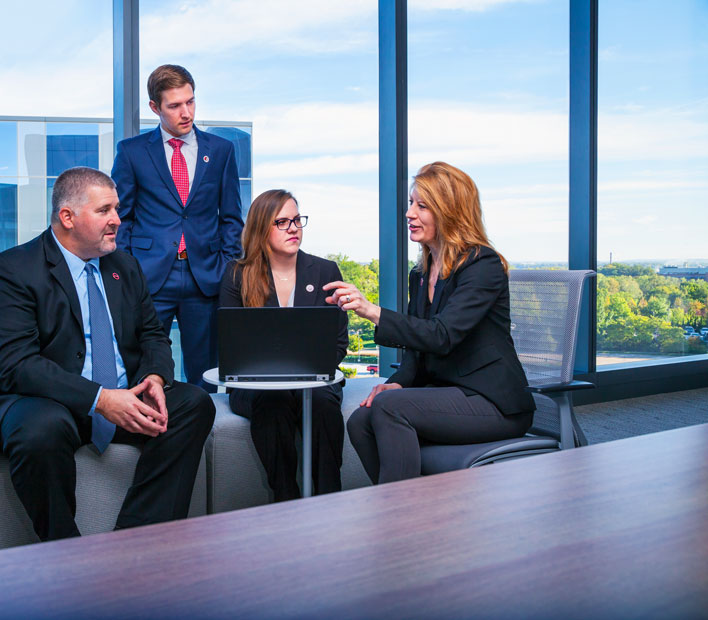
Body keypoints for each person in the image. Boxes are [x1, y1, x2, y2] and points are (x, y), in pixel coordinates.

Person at [0, 166, 215, 541]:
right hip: (45, 399)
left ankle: (135, 542)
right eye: (104, 211)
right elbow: (14, 365)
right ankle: (66, 553)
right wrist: (100, 399)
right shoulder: (13, 269)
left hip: (120, 392)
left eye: (117, 209)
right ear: (67, 217)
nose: (117, 220)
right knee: (41, 429)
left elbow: (152, 335)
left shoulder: (125, 266)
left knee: (193, 404)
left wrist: (155, 378)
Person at [324, 162, 535, 485]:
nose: (409, 213)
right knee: (360, 420)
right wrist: (400, 382)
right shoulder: (422, 273)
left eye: (422, 206)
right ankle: (418, 507)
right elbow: (418, 348)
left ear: (450, 211)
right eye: (411, 203)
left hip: (494, 403)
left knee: (392, 409)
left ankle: (404, 521)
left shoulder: (483, 265)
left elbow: (442, 335)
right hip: (449, 392)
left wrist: (372, 311)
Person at [112, 64, 243, 392]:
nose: (186, 112)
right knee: (147, 368)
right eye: (174, 105)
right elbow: (120, 217)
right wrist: (130, 268)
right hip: (150, 277)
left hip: (205, 277)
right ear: (155, 108)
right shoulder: (132, 152)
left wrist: (226, 267)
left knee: (206, 374)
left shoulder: (222, 150)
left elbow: (231, 218)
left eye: (191, 101)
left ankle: (207, 439)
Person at [219, 189, 348, 501]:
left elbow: (338, 340)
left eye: (297, 220)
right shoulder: (237, 274)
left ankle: (330, 500)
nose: (294, 228)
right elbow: (229, 342)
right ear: (262, 228)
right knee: (272, 403)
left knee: (319, 401)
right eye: (282, 222)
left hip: (314, 379)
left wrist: (313, 370)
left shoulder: (325, 271)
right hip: (256, 386)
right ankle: (286, 500)